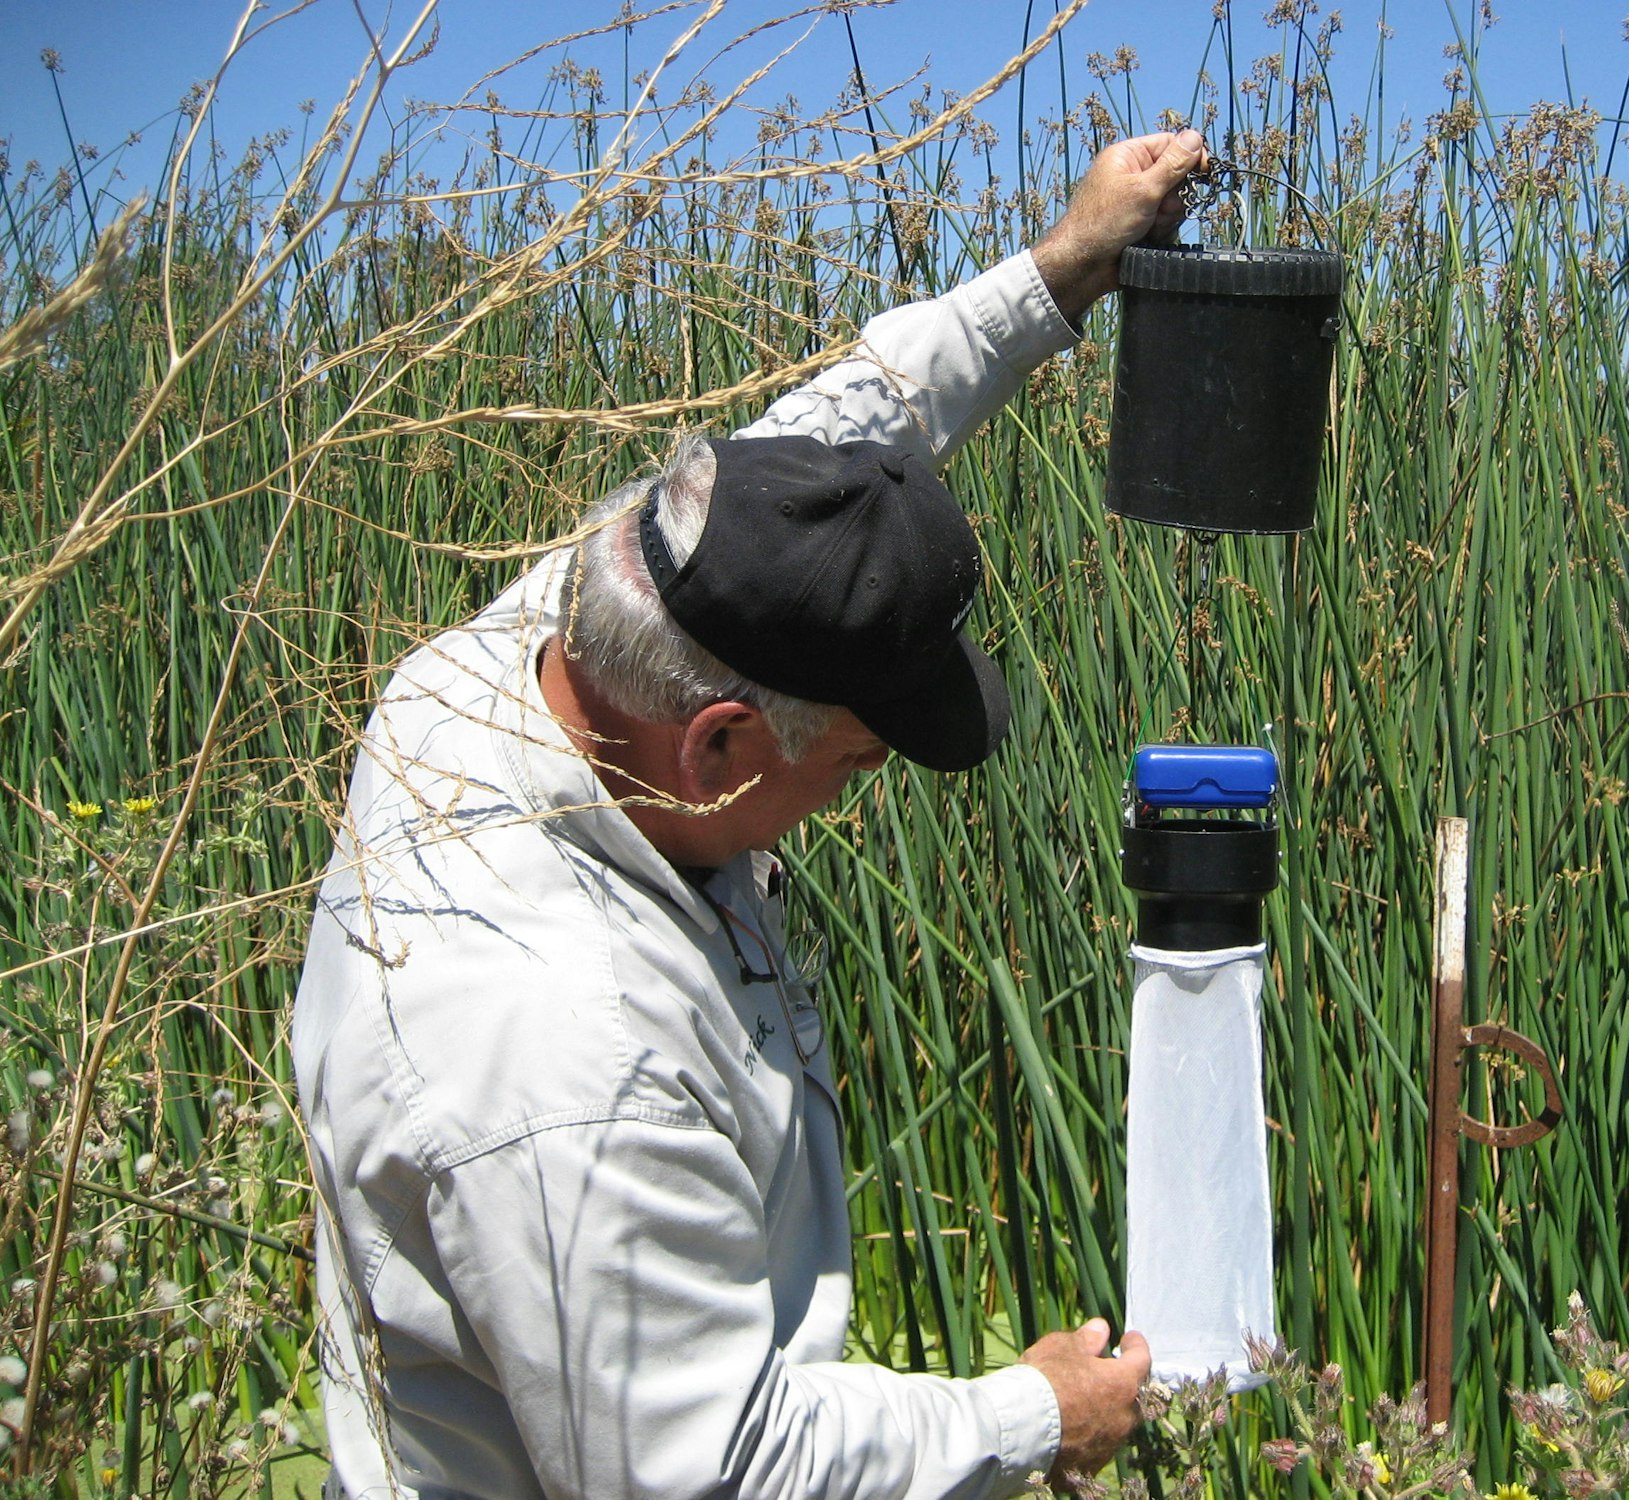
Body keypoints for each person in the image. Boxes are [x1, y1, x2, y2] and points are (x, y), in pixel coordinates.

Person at [293, 128, 1211, 1500]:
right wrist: (1028, 1416)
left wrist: (1062, 271)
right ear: (719, 747)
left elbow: (823, 448)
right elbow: (703, 1470)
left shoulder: (549, 641)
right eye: (851, 759)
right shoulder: (562, 1059)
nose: (862, 785)